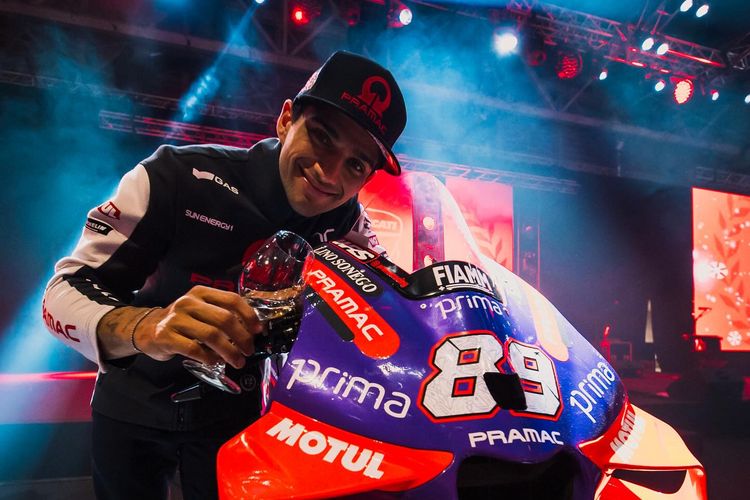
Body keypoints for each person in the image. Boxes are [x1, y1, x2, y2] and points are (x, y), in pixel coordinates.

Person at [42, 50, 407, 500]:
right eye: (322, 136)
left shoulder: (349, 226)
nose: (328, 174)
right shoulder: (176, 175)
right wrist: (147, 326)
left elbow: (383, 317)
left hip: (242, 422)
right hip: (134, 403)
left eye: (356, 164)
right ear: (285, 120)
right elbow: (62, 291)